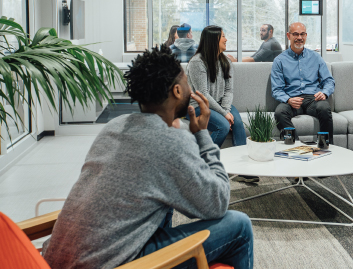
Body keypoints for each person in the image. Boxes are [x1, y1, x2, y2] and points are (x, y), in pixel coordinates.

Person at [42, 46, 253, 269]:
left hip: (62, 257)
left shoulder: (114, 126)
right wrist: (202, 135)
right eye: (186, 81)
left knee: (162, 199)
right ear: (178, 91)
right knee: (239, 224)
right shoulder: (171, 142)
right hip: (112, 263)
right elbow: (217, 202)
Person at [186, 26, 256, 183]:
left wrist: (225, 110)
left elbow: (229, 90)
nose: (226, 39)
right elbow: (202, 94)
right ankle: (202, 164)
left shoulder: (226, 61)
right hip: (198, 106)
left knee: (238, 123)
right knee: (223, 126)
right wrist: (224, 114)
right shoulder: (197, 62)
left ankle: (241, 168)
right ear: (213, 40)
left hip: (219, 105)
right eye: (223, 36)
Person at [271, 22, 335, 143]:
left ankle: (325, 145)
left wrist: (325, 93)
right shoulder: (279, 60)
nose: (299, 38)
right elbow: (276, 89)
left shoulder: (315, 57)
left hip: (313, 99)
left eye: (302, 34)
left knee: (324, 107)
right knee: (280, 112)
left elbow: (329, 81)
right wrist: (288, 99)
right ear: (288, 36)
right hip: (292, 100)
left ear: (306, 36)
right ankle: (294, 145)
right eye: (295, 34)